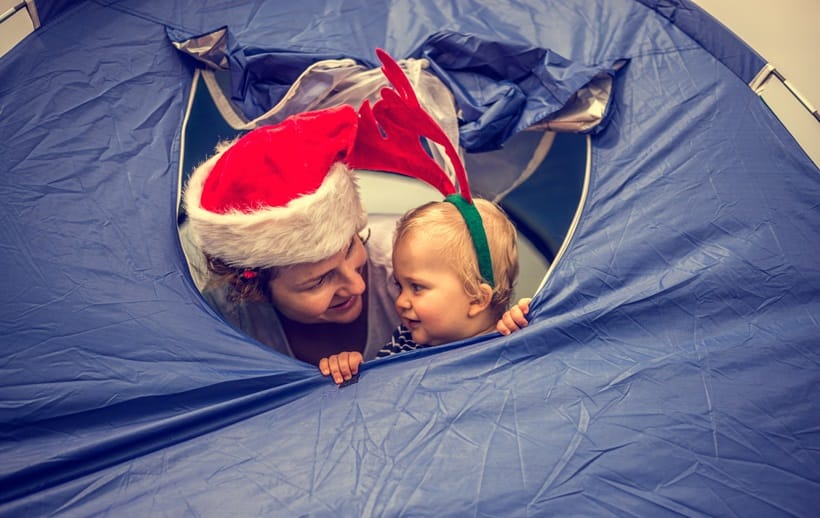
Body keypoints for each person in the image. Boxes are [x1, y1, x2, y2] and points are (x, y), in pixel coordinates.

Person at [180, 105, 400, 365]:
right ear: (249, 287)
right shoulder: (226, 322)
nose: (357, 286)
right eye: (319, 281)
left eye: (351, 246)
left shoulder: (411, 269)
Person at [319, 197, 520, 384]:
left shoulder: (513, 335)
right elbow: (376, 394)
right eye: (399, 286)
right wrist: (352, 369)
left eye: (416, 287)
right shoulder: (404, 344)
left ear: (476, 299)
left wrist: (527, 319)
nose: (400, 302)